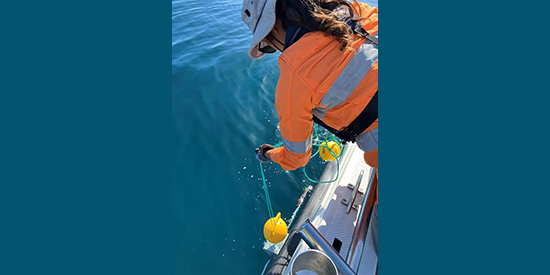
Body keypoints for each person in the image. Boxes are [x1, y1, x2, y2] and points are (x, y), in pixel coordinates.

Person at [243, 0, 378, 256]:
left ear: (274, 27)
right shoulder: (356, 10)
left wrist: (269, 153)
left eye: (267, 45)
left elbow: (296, 158)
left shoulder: (294, 73)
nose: (273, 48)